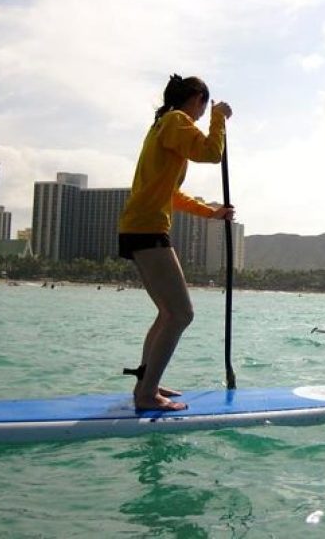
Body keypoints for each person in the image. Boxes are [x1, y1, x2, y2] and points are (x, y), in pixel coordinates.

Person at [118, 74, 235, 411]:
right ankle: (145, 394)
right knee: (181, 313)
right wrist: (220, 117)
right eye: (204, 105)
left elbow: (171, 193)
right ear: (197, 98)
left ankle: (146, 381)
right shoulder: (175, 120)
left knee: (168, 312)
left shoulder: (163, 126)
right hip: (146, 227)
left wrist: (209, 212)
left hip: (141, 225)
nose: (201, 114)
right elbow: (212, 152)